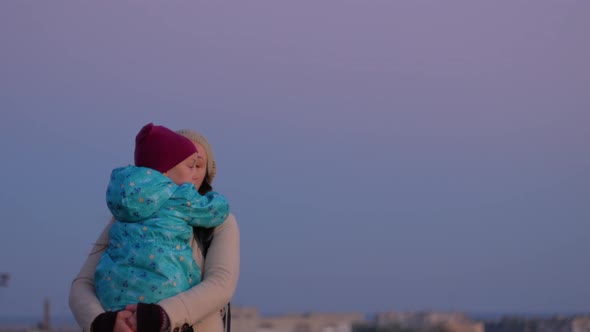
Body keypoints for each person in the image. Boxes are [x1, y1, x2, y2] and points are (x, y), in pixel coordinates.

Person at [69, 126, 240, 332]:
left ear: (208, 173)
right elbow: (82, 285)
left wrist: (162, 314)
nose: (192, 173)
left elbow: (221, 284)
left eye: (198, 165)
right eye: (185, 164)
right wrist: (103, 322)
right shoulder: (127, 216)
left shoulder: (220, 221)